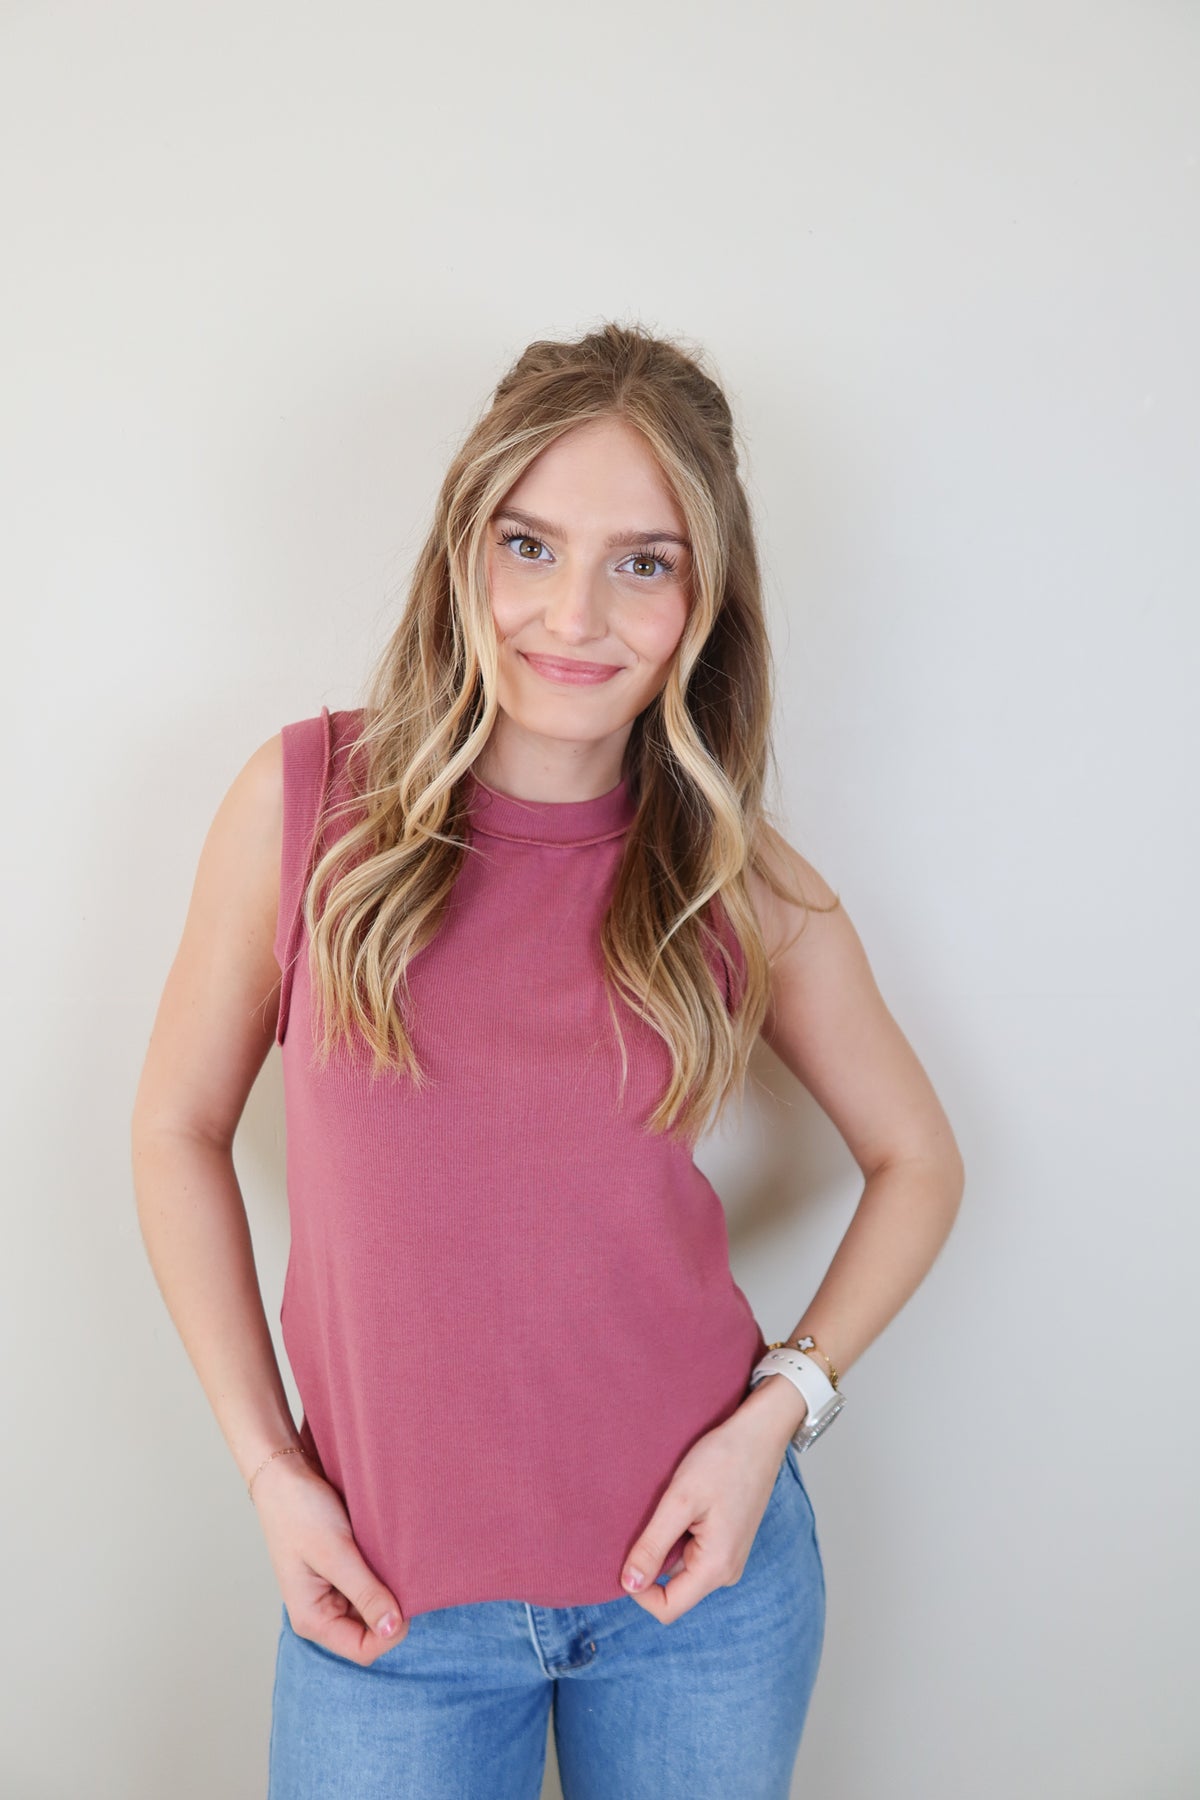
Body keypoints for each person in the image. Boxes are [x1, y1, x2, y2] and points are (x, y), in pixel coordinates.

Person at [131, 321, 965, 1799]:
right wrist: (272, 1473)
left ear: (705, 600)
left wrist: (775, 1420)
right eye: (532, 544)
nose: (575, 614)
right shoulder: (307, 807)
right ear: (466, 550)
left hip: (699, 1595)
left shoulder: (736, 880)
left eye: (643, 562)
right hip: (384, 1607)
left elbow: (920, 1161)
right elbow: (175, 1131)